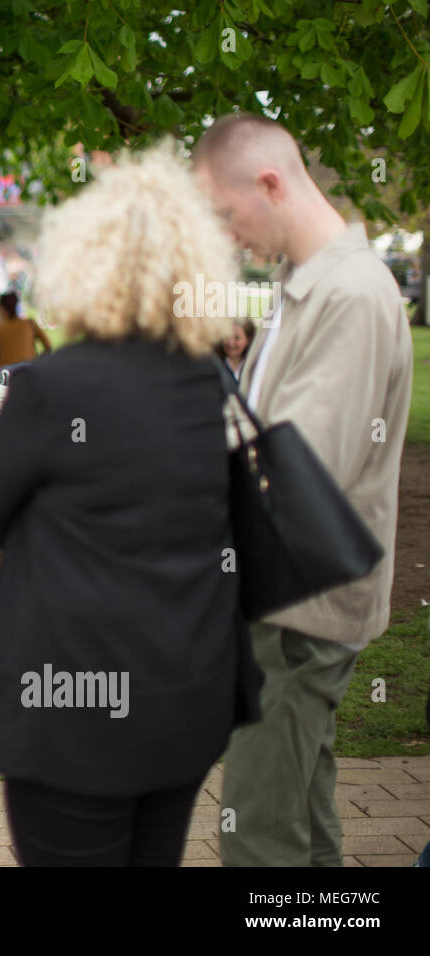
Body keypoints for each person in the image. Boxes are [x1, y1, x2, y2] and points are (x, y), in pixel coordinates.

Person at [0, 143, 263, 867]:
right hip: (186, 694)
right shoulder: (208, 383)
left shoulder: (55, 385)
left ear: (82, 261)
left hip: (70, 710)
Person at [193, 113, 413, 867]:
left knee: (257, 834)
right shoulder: (305, 287)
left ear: (271, 183)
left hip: (300, 602)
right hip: (292, 593)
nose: (227, 235)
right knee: (303, 815)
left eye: (225, 214)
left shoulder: (349, 296)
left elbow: (301, 470)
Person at [0, 290, 52, 372]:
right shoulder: (29, 323)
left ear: (1, 308)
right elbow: (48, 346)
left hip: (5, 372)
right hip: (28, 368)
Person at [214, 317, 255, 382]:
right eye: (227, 336)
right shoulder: (214, 364)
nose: (230, 343)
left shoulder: (253, 367)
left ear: (248, 340)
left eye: (237, 338)